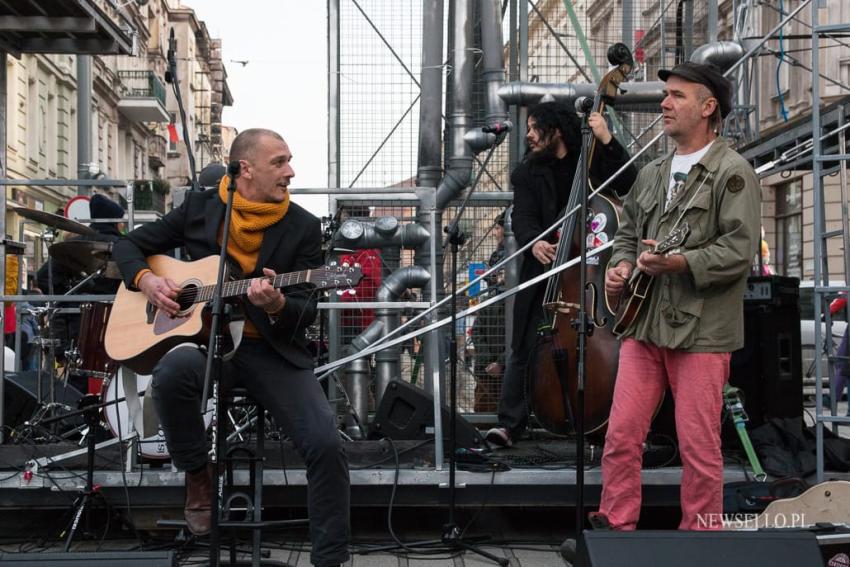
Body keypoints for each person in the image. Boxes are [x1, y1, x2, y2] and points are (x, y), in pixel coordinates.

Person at [112, 128, 349, 567]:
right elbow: (127, 245)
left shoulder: (302, 226)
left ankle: (331, 558)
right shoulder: (200, 209)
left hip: (271, 352)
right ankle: (198, 474)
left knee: (325, 442)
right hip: (207, 345)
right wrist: (147, 280)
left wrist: (278, 304)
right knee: (170, 375)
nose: (290, 172)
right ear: (245, 170)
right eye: (279, 162)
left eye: (289, 160)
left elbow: (307, 311)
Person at [561, 63, 760, 559]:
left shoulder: (732, 172)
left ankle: (701, 543)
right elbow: (627, 233)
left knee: (699, 448)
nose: (664, 104)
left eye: (675, 96)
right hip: (643, 326)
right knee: (621, 436)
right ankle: (615, 534)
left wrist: (678, 262)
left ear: (707, 107)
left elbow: (738, 252)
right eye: (666, 95)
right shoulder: (651, 172)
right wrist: (622, 264)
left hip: (702, 332)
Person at [485, 101, 638, 448]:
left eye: (535, 127)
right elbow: (521, 217)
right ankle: (511, 423)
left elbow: (630, 181)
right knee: (524, 343)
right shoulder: (525, 173)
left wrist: (607, 138)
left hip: (588, 275)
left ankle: (606, 418)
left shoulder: (592, 158)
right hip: (543, 272)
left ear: (556, 128)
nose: (529, 135)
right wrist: (534, 242)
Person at [35, 194, 125, 392]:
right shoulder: (124, 246)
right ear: (115, 220)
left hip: (80, 321)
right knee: (117, 378)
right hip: (118, 321)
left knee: (78, 377)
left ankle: (76, 419)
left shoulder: (76, 245)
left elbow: (43, 276)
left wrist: (68, 298)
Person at [472, 211, 507, 413]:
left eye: (497, 228)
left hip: (506, 371)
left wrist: (500, 363)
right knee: (484, 409)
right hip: (488, 370)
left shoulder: (513, 303)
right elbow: (477, 332)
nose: (495, 233)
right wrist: (488, 363)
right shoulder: (488, 303)